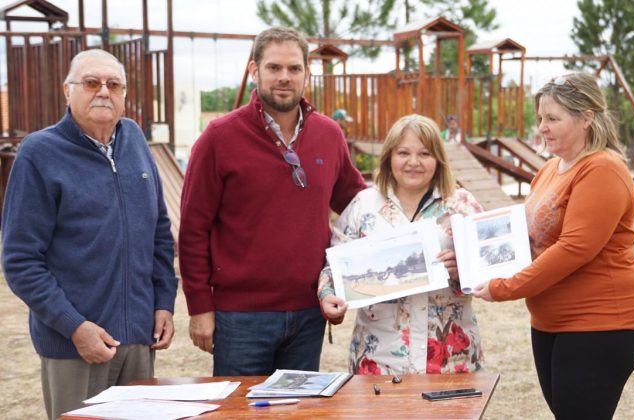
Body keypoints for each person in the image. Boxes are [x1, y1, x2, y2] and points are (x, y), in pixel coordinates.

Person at [179, 26, 367, 376]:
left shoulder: (328, 134)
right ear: (254, 70)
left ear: (307, 74)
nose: (285, 77)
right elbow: (193, 229)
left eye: (294, 69)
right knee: (239, 413)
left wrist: (419, 219)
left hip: (309, 313)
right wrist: (199, 308)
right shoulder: (218, 138)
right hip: (241, 318)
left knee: (298, 414)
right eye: (274, 68)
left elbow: (358, 203)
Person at [1, 49, 177, 419]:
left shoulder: (134, 141)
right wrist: (75, 328)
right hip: (74, 346)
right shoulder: (39, 153)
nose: (103, 92)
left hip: (138, 341)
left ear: (125, 94)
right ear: (68, 91)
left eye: (114, 84)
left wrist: (163, 302)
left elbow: (159, 232)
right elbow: (20, 261)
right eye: (91, 82)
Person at [474, 73, 634, 419]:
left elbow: (574, 248)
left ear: (587, 117)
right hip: (550, 322)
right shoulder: (549, 170)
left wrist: (504, 287)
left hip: (603, 322)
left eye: (553, 118)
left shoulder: (603, 169)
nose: (542, 127)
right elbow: (527, 239)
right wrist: (471, 258)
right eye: (540, 117)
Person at [319, 114, 484, 375]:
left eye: (425, 154)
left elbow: (490, 271)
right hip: (380, 358)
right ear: (389, 157)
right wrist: (327, 295)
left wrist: (463, 269)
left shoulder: (462, 206)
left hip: (450, 359)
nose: (414, 163)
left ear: (438, 160)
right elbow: (333, 268)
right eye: (403, 153)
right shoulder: (364, 206)